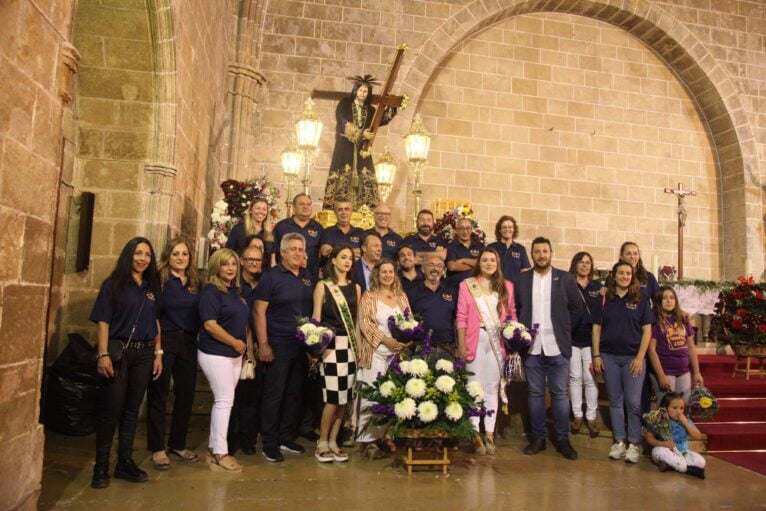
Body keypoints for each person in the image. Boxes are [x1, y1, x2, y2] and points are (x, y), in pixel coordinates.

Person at [89, 237, 163, 489]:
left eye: (147, 255)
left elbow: (155, 322)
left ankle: (124, 462)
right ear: (128, 255)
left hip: (145, 354)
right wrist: (102, 354)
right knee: (111, 411)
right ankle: (100, 467)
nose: (143, 258)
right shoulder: (113, 285)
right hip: (119, 351)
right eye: (138, 253)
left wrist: (158, 353)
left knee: (132, 411)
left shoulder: (152, 286)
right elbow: (103, 322)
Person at [514, 238, 583, 460]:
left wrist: (563, 329)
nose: (541, 255)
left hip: (557, 346)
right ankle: (538, 438)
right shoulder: (522, 279)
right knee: (534, 394)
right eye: (537, 251)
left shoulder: (565, 278)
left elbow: (577, 309)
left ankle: (562, 439)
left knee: (560, 394)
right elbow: (517, 307)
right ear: (532, 255)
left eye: (545, 251)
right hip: (532, 347)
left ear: (551, 253)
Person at [254, 233, 315, 463]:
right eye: (293, 249)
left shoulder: (307, 278)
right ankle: (269, 442)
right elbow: (258, 312)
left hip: (301, 345)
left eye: (301, 249)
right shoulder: (271, 277)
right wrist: (264, 343)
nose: (298, 253)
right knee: (274, 394)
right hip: (278, 343)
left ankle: (285, 437)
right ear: (282, 252)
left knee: (294, 394)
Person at [146, 237, 200, 471]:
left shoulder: (196, 282)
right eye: (176, 253)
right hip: (165, 338)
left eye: (185, 254)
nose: (181, 258)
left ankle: (177, 443)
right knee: (158, 393)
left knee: (186, 395)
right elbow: (153, 313)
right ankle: (157, 448)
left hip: (188, 340)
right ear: (168, 255)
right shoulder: (161, 280)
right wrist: (158, 348)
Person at [592, 261, 654, 464]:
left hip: (632, 358)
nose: (625, 276)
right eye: (621, 273)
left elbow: (647, 330)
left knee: (633, 402)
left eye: (628, 273)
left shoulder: (641, 299)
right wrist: (596, 355)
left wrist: (639, 357)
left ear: (632, 276)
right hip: (609, 357)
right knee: (615, 400)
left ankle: (634, 443)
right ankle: (619, 441)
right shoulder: (604, 298)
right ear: (614, 275)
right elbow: (596, 328)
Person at [456, 248, 516, 456]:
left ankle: (489, 433)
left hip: (496, 343)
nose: (489, 263)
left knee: (492, 388)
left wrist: (516, 335)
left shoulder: (507, 286)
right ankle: (474, 434)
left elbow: (512, 316)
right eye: (485, 260)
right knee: (474, 387)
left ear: (497, 263)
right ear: (478, 263)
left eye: (493, 259)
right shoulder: (467, 285)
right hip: (475, 340)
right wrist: (461, 344)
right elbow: (461, 317)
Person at [197, 248, 250, 472]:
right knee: (224, 401)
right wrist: (234, 343)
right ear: (216, 267)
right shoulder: (211, 292)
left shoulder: (234, 292)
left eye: (234, 264)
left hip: (233, 354)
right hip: (216, 353)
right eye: (225, 264)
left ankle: (213, 448)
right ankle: (220, 452)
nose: (230, 268)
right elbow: (210, 325)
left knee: (225, 400)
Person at [311, 244, 362, 463]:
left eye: (350, 258)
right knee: (332, 397)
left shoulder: (356, 288)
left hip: (350, 345)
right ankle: (322, 441)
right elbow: (315, 318)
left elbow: (358, 322)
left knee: (345, 398)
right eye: (343, 257)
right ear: (333, 260)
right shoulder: (323, 286)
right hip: (331, 346)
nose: (347, 261)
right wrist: (314, 347)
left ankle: (334, 441)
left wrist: (359, 349)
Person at [357, 259, 411, 458]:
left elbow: (409, 321)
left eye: (390, 272)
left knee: (393, 396)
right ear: (376, 275)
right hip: (376, 351)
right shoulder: (369, 296)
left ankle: (387, 436)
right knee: (372, 395)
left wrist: (407, 339)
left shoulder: (402, 296)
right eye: (383, 272)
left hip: (397, 353)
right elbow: (366, 324)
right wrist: (386, 341)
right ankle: (369, 440)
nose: (387, 275)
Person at [323, 74, 396, 210]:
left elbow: (382, 118)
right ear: (356, 90)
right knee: (342, 175)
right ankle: (337, 207)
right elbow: (342, 120)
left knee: (365, 176)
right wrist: (362, 134)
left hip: (363, 149)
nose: (363, 93)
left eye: (366, 91)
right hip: (345, 146)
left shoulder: (370, 110)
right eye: (361, 90)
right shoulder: (345, 104)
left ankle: (366, 209)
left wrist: (393, 105)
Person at [227, 244, 264, 455]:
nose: (253, 263)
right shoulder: (234, 285)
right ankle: (231, 439)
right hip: (234, 342)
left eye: (257, 260)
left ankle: (248, 438)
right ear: (241, 261)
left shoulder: (263, 283)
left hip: (256, 343)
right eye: (249, 259)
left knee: (251, 394)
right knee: (232, 396)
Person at [647, 286, 704, 403]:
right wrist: (661, 375)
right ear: (658, 301)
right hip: (666, 371)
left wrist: (697, 372)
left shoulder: (682, 320)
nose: (669, 301)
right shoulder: (654, 321)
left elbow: (691, 348)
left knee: (683, 405)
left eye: (672, 298)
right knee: (667, 408)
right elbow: (651, 350)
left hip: (683, 371)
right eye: (665, 298)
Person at [567, 251, 603, 437]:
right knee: (574, 377)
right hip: (572, 338)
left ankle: (591, 416)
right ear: (575, 264)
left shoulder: (598, 287)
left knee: (590, 378)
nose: (584, 265)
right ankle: (577, 415)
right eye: (581, 262)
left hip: (591, 340)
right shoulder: (568, 283)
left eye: (588, 262)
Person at [407, 253, 457, 361]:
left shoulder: (452, 291)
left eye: (439, 266)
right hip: (421, 350)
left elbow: (458, 320)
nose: (435, 269)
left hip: (448, 349)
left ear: (443, 270)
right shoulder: (412, 292)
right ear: (423, 269)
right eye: (431, 265)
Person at [644, 392, 706, 478]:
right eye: (675, 408)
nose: (679, 412)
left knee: (701, 462)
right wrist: (662, 444)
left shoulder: (685, 421)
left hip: (682, 452)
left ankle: (672, 466)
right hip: (665, 450)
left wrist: (686, 423)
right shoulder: (659, 420)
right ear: (665, 408)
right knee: (657, 451)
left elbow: (698, 436)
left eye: (681, 408)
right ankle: (688, 469)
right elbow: (649, 437)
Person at [273, 193, 324, 278]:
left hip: (310, 277)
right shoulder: (282, 226)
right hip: (284, 276)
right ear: (294, 208)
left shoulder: (319, 228)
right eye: (301, 204)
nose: (305, 207)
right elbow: (274, 251)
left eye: (308, 204)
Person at [487, 215, 530, 282]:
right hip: (494, 288)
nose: (507, 229)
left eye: (510, 227)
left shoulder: (521, 249)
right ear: (500, 230)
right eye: (504, 227)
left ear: (514, 229)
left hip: (514, 289)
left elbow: (525, 272)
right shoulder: (491, 247)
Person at [446, 217, 483, 282]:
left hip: (477, 288)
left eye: (468, 228)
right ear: (456, 231)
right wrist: (476, 266)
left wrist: (463, 260)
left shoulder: (480, 246)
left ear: (471, 230)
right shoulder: (451, 246)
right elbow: (452, 266)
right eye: (462, 228)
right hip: (456, 287)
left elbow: (483, 264)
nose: (465, 231)